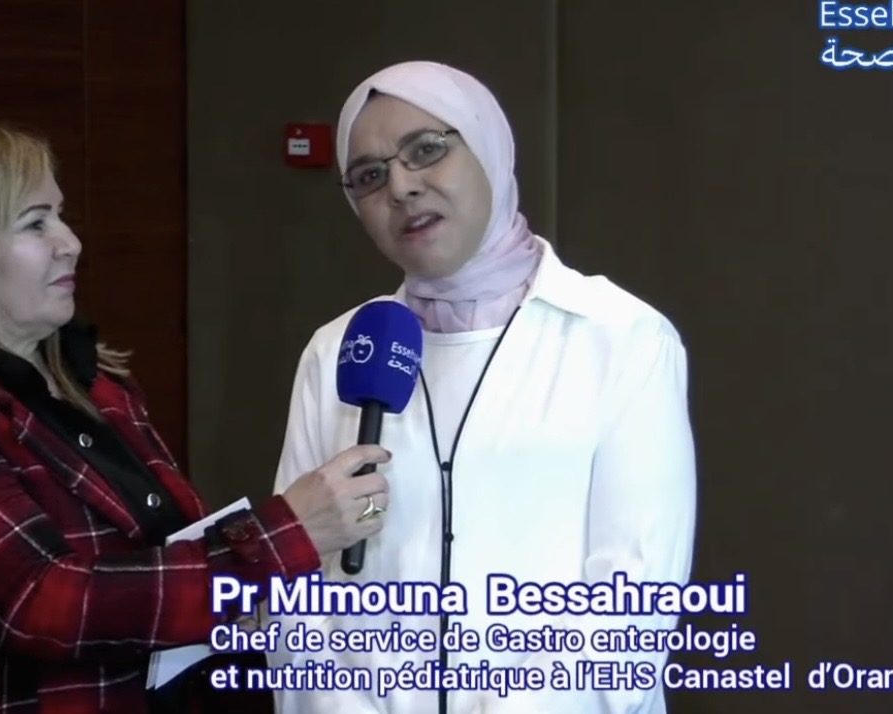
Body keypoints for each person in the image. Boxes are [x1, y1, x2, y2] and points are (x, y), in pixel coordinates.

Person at [0, 117, 393, 714]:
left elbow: (162, 564)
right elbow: (41, 602)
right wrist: (287, 535)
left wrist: (245, 613)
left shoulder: (97, 386)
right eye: (35, 223)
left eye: (60, 215)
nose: (70, 242)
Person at [265, 61, 697, 713]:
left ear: (490, 145)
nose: (402, 187)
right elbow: (293, 590)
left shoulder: (620, 337)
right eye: (370, 176)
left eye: (426, 150)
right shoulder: (337, 351)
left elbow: (632, 602)